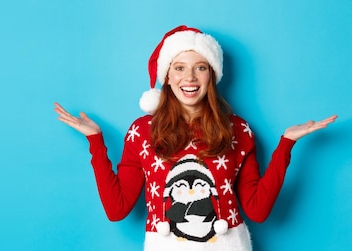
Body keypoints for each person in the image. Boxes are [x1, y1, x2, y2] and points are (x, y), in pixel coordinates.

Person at [54, 25, 337, 251]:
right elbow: (117, 209)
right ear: (167, 76)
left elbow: (258, 211)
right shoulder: (142, 132)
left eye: (200, 67)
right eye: (179, 67)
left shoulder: (238, 130)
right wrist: (95, 141)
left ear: (212, 74)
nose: (189, 77)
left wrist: (286, 144)